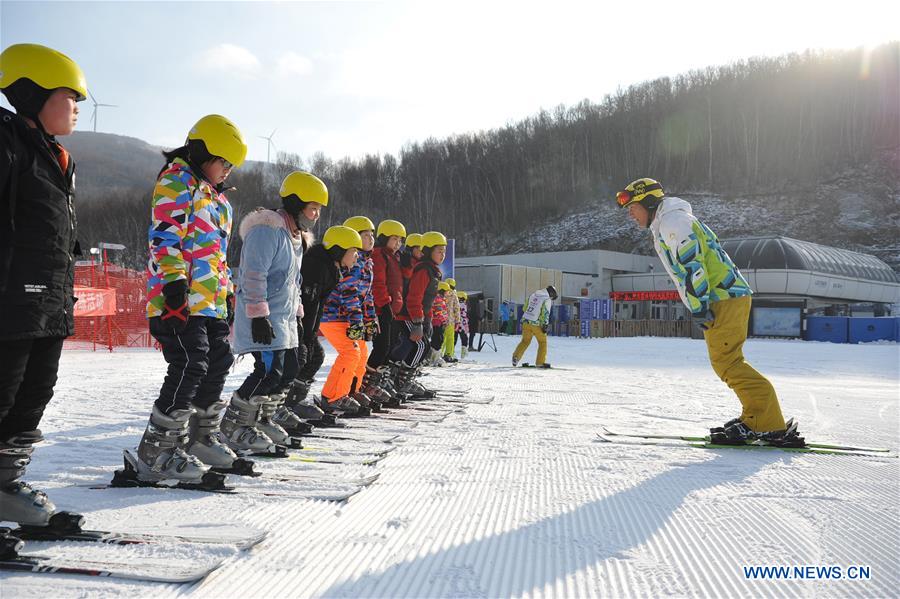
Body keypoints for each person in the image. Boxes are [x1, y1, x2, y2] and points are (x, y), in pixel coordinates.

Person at [616, 177, 802, 446]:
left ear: (648, 202)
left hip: (723, 297)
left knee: (729, 363)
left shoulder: (673, 222)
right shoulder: (671, 221)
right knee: (727, 362)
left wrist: (698, 305)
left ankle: (766, 421)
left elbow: (693, 263)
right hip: (726, 296)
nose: (631, 215)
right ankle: (757, 416)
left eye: (633, 207)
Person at [130, 114, 248, 484]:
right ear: (202, 152)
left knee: (219, 360)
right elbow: (165, 238)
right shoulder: (177, 181)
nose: (227, 170)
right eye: (223, 162)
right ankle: (157, 450)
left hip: (210, 302)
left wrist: (227, 294)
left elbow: (219, 256)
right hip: (179, 298)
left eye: (231, 165)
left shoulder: (219, 200)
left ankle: (200, 438)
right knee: (190, 363)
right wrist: (174, 288)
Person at [0, 43, 87, 525]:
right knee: (3, 395)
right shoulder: (7, 143)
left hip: (48, 300)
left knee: (35, 394)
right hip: (10, 300)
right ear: (34, 95)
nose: (77, 107)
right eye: (69, 96)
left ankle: (4, 485)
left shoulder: (58, 157)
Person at [225, 171, 322, 456]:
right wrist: (258, 316)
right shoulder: (267, 231)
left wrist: (299, 314)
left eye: (318, 209)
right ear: (296, 204)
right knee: (269, 371)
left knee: (289, 370)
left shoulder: (296, 237)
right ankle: (235, 425)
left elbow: (294, 282)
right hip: (264, 317)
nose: (316, 215)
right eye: (313, 208)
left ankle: (262, 419)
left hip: (284, 318)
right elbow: (253, 274)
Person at [302, 225, 366, 415]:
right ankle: (333, 397)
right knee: (349, 352)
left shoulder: (334, 269)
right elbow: (313, 302)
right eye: (354, 251)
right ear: (340, 250)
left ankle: (337, 394)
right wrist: (356, 321)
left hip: (329, 319)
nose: (357, 257)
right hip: (331, 318)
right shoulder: (321, 268)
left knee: (353, 352)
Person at [390, 231, 446, 396]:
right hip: (408, 315)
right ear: (428, 251)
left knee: (420, 346)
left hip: (418, 315)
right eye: (439, 251)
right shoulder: (424, 271)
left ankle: (401, 377)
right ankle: (402, 380)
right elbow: (414, 297)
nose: (442, 255)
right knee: (421, 345)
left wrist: (427, 320)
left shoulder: (432, 270)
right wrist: (417, 322)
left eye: (444, 251)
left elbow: (427, 301)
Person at [363, 219, 406, 403]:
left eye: (400, 240)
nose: (398, 243)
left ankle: (377, 383)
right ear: (384, 238)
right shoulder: (380, 255)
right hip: (381, 310)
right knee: (381, 348)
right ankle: (366, 384)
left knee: (389, 347)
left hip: (391, 309)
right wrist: (385, 304)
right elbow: (378, 283)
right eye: (394, 239)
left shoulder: (394, 257)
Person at [512, 286, 557, 368]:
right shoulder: (546, 299)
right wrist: (545, 324)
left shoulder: (533, 295)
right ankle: (540, 362)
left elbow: (524, 308)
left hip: (526, 321)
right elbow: (545, 313)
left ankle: (516, 357)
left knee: (525, 341)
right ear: (551, 293)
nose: (551, 298)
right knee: (542, 342)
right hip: (536, 324)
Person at [428, 282, 451, 366]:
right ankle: (434, 358)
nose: (447, 293)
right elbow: (439, 313)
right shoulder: (438, 299)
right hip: (436, 323)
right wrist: (444, 320)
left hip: (439, 323)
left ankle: (434, 357)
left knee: (438, 339)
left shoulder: (441, 299)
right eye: (447, 291)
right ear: (442, 290)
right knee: (437, 339)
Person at [442, 278, 460, 362]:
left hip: (441, 319)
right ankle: (448, 354)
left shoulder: (442, 294)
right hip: (450, 320)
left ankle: (439, 354)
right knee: (450, 338)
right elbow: (457, 308)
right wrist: (458, 321)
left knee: (442, 337)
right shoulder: (454, 294)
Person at [455, 290, 470, 360]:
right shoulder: (464, 305)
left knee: (454, 339)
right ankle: (463, 354)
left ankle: (450, 352)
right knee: (464, 339)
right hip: (462, 325)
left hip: (455, 324)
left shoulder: (455, 304)